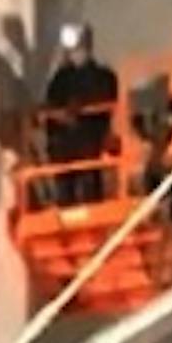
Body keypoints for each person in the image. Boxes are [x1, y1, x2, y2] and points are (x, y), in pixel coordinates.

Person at [43, 21, 119, 205]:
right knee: (66, 192)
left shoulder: (103, 76)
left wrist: (78, 108)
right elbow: (51, 105)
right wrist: (59, 116)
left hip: (89, 143)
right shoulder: (61, 78)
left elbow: (105, 101)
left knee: (90, 187)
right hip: (64, 147)